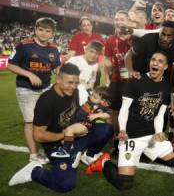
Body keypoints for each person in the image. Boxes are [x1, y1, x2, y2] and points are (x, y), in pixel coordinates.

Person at [8, 64, 114, 192]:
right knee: (66, 184)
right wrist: (64, 135)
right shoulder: (46, 101)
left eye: (76, 83)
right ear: (58, 79)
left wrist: (82, 126)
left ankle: (86, 154)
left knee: (107, 129)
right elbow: (38, 135)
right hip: (57, 145)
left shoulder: (73, 92)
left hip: (73, 136)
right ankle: (34, 171)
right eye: (69, 82)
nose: (73, 86)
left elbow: (74, 114)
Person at [102, 51, 174, 191]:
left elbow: (159, 115)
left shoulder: (166, 88)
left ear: (165, 67)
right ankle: (104, 163)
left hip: (150, 137)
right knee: (124, 184)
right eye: (153, 60)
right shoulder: (136, 81)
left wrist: (159, 132)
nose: (155, 63)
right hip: (131, 137)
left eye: (160, 61)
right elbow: (124, 109)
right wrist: (122, 130)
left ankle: (149, 150)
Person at [7, 17, 61, 164]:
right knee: (30, 122)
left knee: (48, 121)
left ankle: (46, 150)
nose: (43, 33)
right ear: (35, 30)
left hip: (46, 89)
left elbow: (56, 67)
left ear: (52, 33)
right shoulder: (24, 45)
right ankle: (33, 155)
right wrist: (29, 74)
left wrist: (64, 75)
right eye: (41, 30)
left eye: (47, 31)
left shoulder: (54, 49)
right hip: (26, 90)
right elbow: (10, 65)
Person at [51, 85, 111, 159]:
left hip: (84, 123)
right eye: (92, 95)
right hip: (76, 121)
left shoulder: (99, 106)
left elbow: (107, 114)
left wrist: (97, 115)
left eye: (95, 97)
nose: (92, 97)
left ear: (103, 101)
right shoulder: (89, 100)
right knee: (64, 136)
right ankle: (70, 149)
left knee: (69, 130)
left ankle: (66, 151)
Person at [66, 40, 104, 104]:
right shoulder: (74, 60)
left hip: (84, 92)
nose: (93, 55)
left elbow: (91, 82)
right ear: (85, 49)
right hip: (70, 89)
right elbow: (63, 77)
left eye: (97, 53)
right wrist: (82, 83)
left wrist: (91, 92)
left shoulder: (96, 66)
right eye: (91, 51)